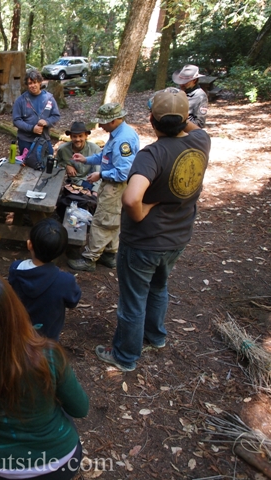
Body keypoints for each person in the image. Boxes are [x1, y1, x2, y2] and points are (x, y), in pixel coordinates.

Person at [95, 88, 210, 372]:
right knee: (159, 287)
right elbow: (190, 127)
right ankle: (155, 336)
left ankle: (125, 356)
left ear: (152, 120)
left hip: (144, 241)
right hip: (178, 236)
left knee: (133, 299)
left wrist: (144, 209)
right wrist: (182, 117)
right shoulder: (201, 140)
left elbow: (132, 198)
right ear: (185, 118)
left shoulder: (152, 155)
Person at [0, 271, 89, 480]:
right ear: (13, 308)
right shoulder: (47, 354)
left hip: (6, 469)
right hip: (62, 462)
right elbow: (80, 408)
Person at [67, 103, 140, 272]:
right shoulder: (117, 134)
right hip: (112, 185)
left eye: (103, 122)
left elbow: (123, 172)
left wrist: (100, 175)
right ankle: (109, 253)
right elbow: (105, 157)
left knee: (102, 221)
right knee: (113, 220)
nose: (100, 125)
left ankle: (89, 258)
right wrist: (86, 160)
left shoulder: (124, 139)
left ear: (114, 120)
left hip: (115, 187)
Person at [8, 218, 81, 341]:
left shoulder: (16, 269)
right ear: (61, 251)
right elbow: (73, 301)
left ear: (29, 244)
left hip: (20, 331)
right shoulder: (65, 281)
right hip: (48, 337)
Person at [13, 69, 61, 157]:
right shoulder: (21, 100)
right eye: (30, 83)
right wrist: (32, 128)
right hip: (26, 140)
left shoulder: (49, 98)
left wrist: (47, 122)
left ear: (40, 82)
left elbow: (56, 116)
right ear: (27, 85)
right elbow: (16, 120)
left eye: (35, 82)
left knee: (48, 159)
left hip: (44, 138)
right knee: (27, 164)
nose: (33, 85)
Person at [56, 121, 102, 193]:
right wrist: (66, 165)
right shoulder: (63, 149)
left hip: (92, 181)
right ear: (70, 137)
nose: (77, 139)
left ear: (86, 136)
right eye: (74, 136)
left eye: (80, 136)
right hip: (75, 181)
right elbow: (56, 163)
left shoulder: (95, 149)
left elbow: (98, 171)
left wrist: (95, 191)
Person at [172, 64, 208, 130]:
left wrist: (178, 121)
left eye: (185, 82)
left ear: (194, 80)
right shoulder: (177, 91)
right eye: (180, 81)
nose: (181, 84)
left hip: (187, 134)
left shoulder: (200, 96)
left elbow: (200, 124)